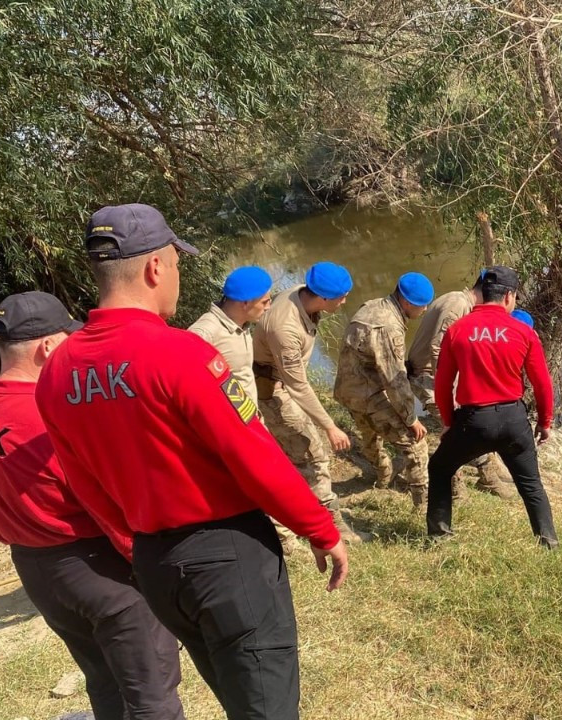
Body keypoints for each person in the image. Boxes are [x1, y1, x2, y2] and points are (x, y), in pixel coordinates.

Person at [36, 203, 348, 720]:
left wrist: (133, 544)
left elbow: (85, 483)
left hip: (157, 565)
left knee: (234, 691)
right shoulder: (182, 353)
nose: (178, 276)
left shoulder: (58, 370)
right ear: (156, 268)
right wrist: (321, 528)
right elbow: (254, 455)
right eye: (177, 264)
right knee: (265, 707)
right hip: (227, 559)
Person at [0, 292, 185, 720]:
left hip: (36, 571)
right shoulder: (50, 413)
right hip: (98, 570)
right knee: (153, 693)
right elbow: (112, 500)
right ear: (48, 347)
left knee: (105, 681)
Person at [427, 265, 559, 548]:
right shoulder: (523, 332)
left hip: (473, 421)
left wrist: (449, 423)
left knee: (439, 468)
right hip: (513, 420)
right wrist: (544, 423)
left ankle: (439, 538)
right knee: (531, 484)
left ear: (483, 293)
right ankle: (548, 543)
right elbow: (542, 384)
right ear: (509, 296)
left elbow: (442, 384)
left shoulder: (457, 330)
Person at [252, 261, 357, 544]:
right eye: (341, 297)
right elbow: (296, 385)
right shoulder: (284, 328)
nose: (345, 301)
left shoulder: (302, 293)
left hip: (283, 383)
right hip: (272, 392)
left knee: (292, 455)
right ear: (322, 298)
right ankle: (328, 526)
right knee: (314, 454)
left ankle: (297, 513)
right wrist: (330, 426)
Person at [405, 275, 513, 499]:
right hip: (426, 376)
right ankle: (463, 485)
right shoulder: (458, 304)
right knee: (458, 425)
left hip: (435, 374)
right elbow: (437, 349)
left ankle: (489, 473)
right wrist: (449, 393)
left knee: (472, 417)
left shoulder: (460, 301)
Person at [334, 272, 434, 507]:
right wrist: (411, 419)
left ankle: (382, 476)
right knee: (416, 444)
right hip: (368, 395)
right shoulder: (388, 326)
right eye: (422, 306)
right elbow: (395, 381)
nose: (425, 310)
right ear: (407, 302)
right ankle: (423, 505)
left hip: (348, 389)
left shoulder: (372, 306)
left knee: (369, 437)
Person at [187, 265, 273, 403]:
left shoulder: (242, 325)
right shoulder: (205, 333)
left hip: (248, 418)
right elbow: (186, 387)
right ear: (245, 303)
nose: (269, 307)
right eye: (264, 302)